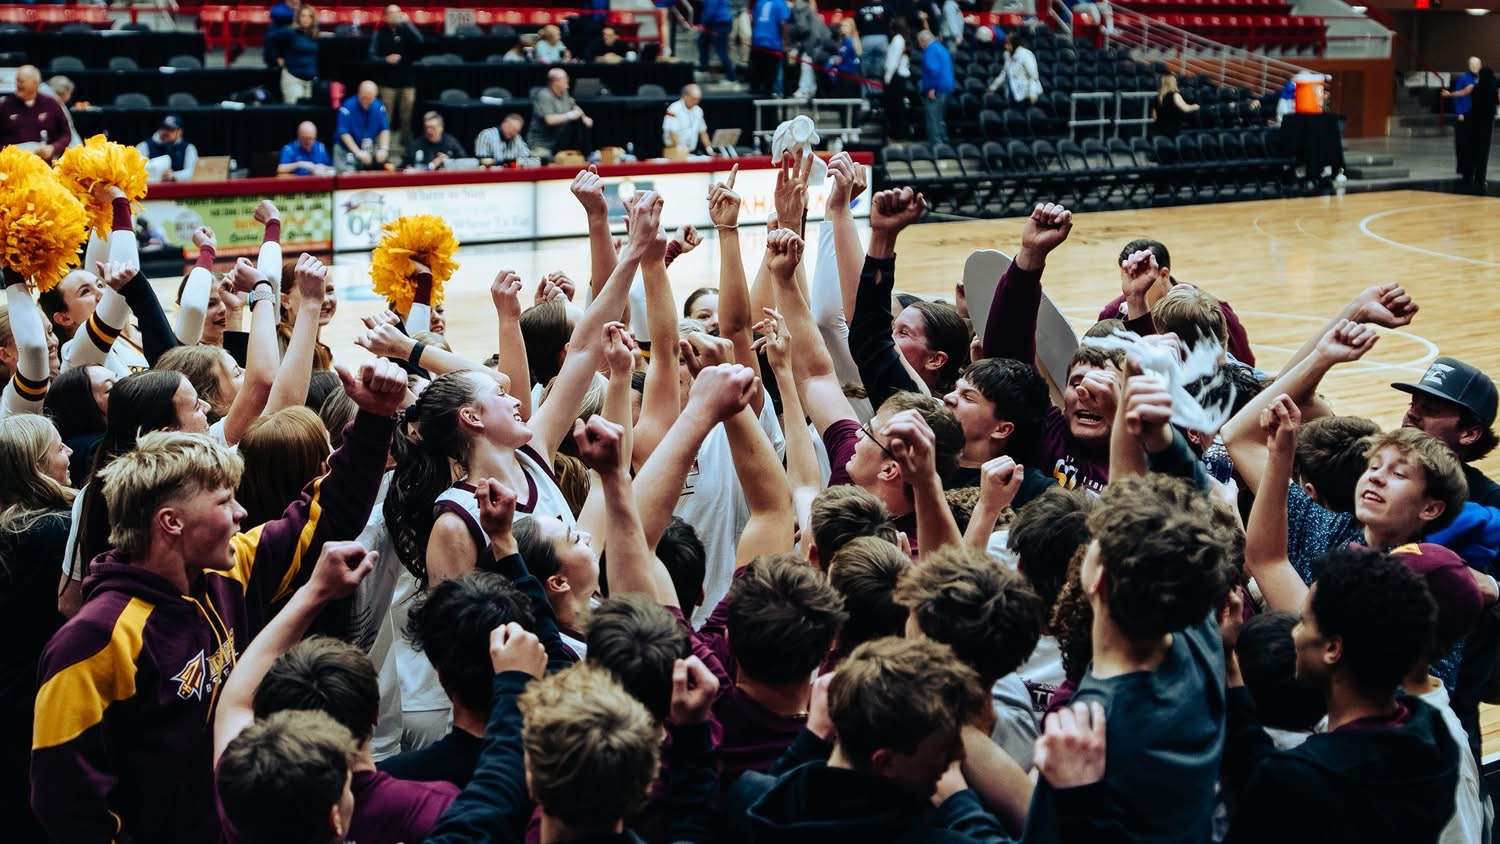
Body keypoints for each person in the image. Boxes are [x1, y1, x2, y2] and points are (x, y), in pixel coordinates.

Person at [30, 360, 407, 842]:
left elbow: (325, 514)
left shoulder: (227, 573)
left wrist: (375, 418)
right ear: (171, 522)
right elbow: (65, 802)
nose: (242, 512)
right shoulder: (95, 639)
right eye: (225, 501)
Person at [1025, 474, 1233, 841]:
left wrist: (1074, 800)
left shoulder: (1084, 730)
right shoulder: (1201, 641)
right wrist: (1160, 442)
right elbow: (1188, 525)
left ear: (1097, 579)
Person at [1223, 548, 1460, 843]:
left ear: (1332, 649)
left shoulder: (1297, 780)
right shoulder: (1436, 735)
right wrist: (1232, 667)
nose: (1294, 634)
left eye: (1304, 622)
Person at [728, 637, 1009, 841]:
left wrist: (809, 742)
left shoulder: (748, 801)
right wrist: (961, 803)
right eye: (944, 748)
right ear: (885, 761)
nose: (959, 755)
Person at [0, 415, 72, 840]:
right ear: (34, 466)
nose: (69, 455)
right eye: (58, 448)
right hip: (43, 695)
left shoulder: (12, 531)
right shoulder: (54, 529)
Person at [1097, 238, 1256, 366]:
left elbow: (1246, 362)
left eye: (1141, 275)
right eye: (1129, 276)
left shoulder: (1209, 310)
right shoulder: (1112, 315)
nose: (1135, 284)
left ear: (1164, 274)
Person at [1393, 356, 1500, 507]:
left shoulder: (1490, 505)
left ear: (1469, 434)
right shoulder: (1371, 465)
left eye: (1429, 409)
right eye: (1412, 404)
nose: (1411, 413)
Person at [369, 5, 424, 149]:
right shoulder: (379, 33)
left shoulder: (407, 30)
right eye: (392, 13)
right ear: (385, 17)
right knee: (386, 117)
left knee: (407, 118)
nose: (395, 16)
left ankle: (407, 148)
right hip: (387, 84)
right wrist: (385, 60)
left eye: (398, 13)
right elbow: (371, 57)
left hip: (407, 82)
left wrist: (409, 23)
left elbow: (420, 41)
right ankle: (383, 148)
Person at [0, 65, 71, 160]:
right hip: (12, 162)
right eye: (17, 81)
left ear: (35, 83)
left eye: (21, 81)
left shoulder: (51, 103)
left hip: (43, 163)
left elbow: (66, 134)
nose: (18, 85)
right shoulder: (4, 105)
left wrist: (53, 148)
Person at [528, 68, 593, 159]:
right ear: (555, 81)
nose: (568, 80)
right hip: (542, 144)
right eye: (565, 78)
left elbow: (574, 106)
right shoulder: (543, 95)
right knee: (546, 158)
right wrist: (570, 115)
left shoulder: (564, 93)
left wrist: (584, 117)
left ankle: (588, 154)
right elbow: (549, 120)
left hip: (559, 141)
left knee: (579, 125)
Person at [266, 3, 320, 105]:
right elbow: (271, 40)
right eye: (303, 16)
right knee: (295, 114)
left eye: (310, 16)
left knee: (307, 117)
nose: (306, 19)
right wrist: (277, 57)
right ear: (298, 18)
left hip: (310, 83)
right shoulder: (290, 32)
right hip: (293, 80)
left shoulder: (314, 36)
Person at [336, 80, 391, 170]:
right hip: (345, 150)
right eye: (364, 97)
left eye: (370, 98)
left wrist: (384, 148)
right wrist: (357, 152)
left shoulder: (379, 107)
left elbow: (384, 129)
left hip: (367, 148)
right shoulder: (347, 107)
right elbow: (344, 133)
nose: (366, 101)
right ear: (359, 93)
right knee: (346, 177)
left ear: (375, 96)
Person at [1460, 65, 1497, 193]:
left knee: (1472, 150)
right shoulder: (1493, 89)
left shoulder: (1475, 88)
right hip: (1487, 125)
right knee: (1483, 153)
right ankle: (1480, 179)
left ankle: (1469, 175)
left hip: (1474, 123)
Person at [1442, 56, 1480, 177]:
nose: (1475, 67)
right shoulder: (1464, 78)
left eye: (1477, 64)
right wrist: (1459, 113)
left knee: (1473, 142)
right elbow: (1459, 95)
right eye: (1472, 64)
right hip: (1464, 114)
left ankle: (1471, 166)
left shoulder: (1478, 78)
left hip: (1474, 115)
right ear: (1469, 66)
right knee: (1462, 142)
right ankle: (1462, 167)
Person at [135, 115, 199, 183]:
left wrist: (173, 176)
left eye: (171, 129)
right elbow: (138, 171)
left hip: (179, 190)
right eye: (163, 128)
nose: (165, 132)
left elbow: (191, 172)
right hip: (152, 188)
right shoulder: (144, 146)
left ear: (180, 131)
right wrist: (157, 175)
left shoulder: (189, 148)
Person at [917, 29, 954, 147]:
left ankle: (936, 145)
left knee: (933, 117)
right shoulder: (941, 48)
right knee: (940, 118)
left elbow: (933, 70)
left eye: (919, 42)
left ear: (923, 41)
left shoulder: (930, 50)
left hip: (936, 89)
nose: (919, 45)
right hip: (946, 88)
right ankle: (944, 141)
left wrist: (931, 88)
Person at [750, 0, 790, 96]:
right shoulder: (780, 4)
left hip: (757, 41)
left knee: (758, 76)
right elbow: (783, 24)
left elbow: (753, 21)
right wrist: (786, 43)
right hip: (772, 43)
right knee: (771, 78)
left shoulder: (759, 2)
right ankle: (773, 97)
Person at [991, 33, 1041, 105]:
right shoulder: (1007, 54)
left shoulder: (1026, 54)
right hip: (1013, 92)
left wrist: (1033, 93)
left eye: (1008, 44)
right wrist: (993, 87)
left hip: (1027, 95)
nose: (1005, 46)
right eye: (1005, 44)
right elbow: (1004, 73)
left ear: (1015, 44)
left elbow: (1034, 76)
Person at [663, 83, 711, 155]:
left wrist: (709, 148)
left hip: (690, 151)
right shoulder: (673, 109)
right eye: (694, 99)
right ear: (685, 96)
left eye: (698, 99)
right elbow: (672, 132)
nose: (696, 102)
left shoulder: (698, 110)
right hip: (674, 150)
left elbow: (703, 132)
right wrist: (680, 149)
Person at [1151, 73, 1199, 138]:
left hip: (1158, 130)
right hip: (1172, 131)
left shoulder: (1158, 96)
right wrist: (1195, 106)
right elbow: (1186, 108)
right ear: (1174, 83)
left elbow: (1154, 117)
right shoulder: (1175, 95)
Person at [699, 0, 737, 81]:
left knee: (721, 51)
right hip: (719, 22)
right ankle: (704, 69)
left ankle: (731, 77)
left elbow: (710, 10)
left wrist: (703, 23)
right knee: (702, 42)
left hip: (719, 23)